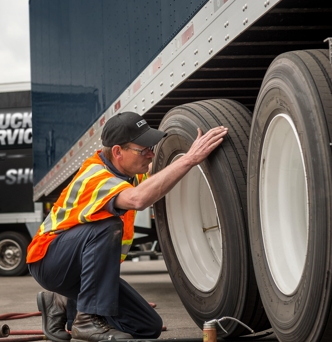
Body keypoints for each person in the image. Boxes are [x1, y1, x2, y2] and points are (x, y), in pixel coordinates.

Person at [26, 112, 228, 342]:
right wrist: (190, 158)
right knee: (107, 226)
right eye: (144, 150)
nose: (151, 155)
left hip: (77, 269)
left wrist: (188, 148)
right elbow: (138, 200)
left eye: (151, 147)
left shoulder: (127, 173)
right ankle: (86, 319)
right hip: (50, 261)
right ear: (117, 152)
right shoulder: (96, 177)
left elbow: (156, 177)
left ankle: (59, 302)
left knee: (148, 327)